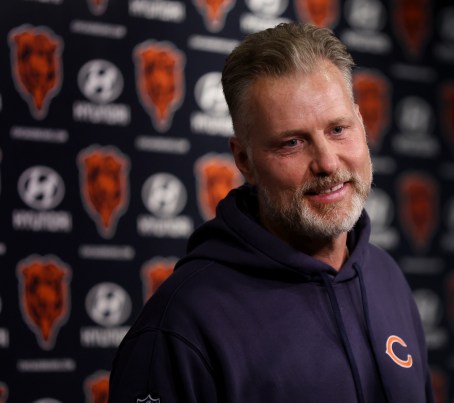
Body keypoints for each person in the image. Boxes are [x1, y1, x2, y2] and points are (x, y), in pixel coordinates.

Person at [109, 22, 434, 403]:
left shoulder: (385, 276)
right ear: (244, 160)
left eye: (338, 129)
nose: (327, 163)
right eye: (292, 142)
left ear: (361, 124)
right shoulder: (181, 325)